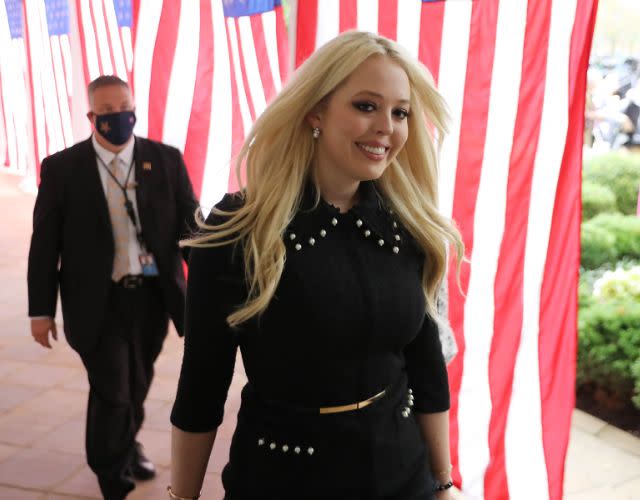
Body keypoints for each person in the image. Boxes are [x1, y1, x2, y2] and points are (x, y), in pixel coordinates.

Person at [169, 31, 463, 500]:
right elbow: (201, 388)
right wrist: (180, 498)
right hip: (281, 479)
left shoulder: (411, 224)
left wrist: (445, 484)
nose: (387, 126)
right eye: (366, 105)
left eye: (400, 112)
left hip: (404, 477)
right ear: (315, 112)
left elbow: (427, 371)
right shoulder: (241, 226)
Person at [27, 75, 198, 500]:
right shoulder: (62, 168)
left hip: (153, 298)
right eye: (106, 111)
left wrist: (214, 288)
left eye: (124, 106)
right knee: (114, 389)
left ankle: (126, 445)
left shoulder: (166, 160)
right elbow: (44, 243)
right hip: (96, 302)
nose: (117, 117)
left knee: (137, 383)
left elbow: (191, 232)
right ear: (91, 117)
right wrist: (40, 310)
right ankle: (110, 473)